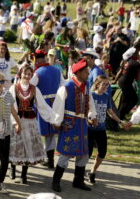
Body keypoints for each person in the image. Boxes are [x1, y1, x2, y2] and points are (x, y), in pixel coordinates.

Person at [51, 59, 97, 192]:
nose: (88, 73)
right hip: (69, 124)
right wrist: (57, 122)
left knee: (83, 153)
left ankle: (78, 181)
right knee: (65, 153)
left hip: (82, 125)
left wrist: (92, 116)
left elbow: (90, 101)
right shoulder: (66, 87)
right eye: (86, 71)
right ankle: (56, 180)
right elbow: (58, 106)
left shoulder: (86, 85)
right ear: (79, 72)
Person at [9, 64, 56, 184]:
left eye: (30, 74)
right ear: (20, 74)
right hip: (17, 120)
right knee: (15, 146)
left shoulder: (34, 89)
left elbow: (42, 106)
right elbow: (11, 106)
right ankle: (12, 168)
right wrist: (15, 122)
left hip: (29, 122)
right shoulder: (14, 88)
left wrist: (54, 118)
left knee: (28, 148)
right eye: (25, 73)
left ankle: (24, 175)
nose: (27, 76)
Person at [87, 75, 126, 184]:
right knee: (88, 153)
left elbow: (110, 112)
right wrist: (88, 120)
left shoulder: (106, 96)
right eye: (103, 84)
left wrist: (120, 121)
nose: (105, 86)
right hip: (89, 129)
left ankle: (92, 172)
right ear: (97, 84)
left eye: (107, 84)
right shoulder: (91, 95)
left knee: (102, 152)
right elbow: (84, 111)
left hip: (101, 129)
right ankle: (79, 173)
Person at [30, 50, 65, 169]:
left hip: (42, 104)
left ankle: (37, 157)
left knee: (36, 131)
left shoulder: (37, 73)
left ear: (37, 60)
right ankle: (50, 160)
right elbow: (63, 86)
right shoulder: (57, 71)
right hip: (55, 103)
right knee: (50, 133)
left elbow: (30, 88)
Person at [114, 48, 140, 120]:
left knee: (128, 100)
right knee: (132, 99)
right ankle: (120, 116)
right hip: (126, 83)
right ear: (134, 54)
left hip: (122, 82)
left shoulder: (126, 61)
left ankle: (121, 115)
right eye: (137, 53)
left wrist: (114, 81)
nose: (138, 54)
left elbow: (119, 72)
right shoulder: (135, 63)